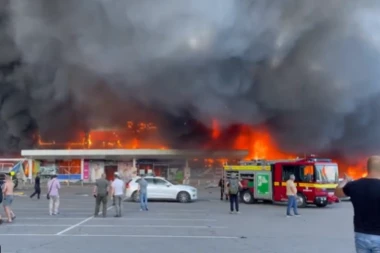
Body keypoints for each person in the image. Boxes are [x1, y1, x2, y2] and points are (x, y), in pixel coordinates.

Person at [335, 156, 380, 252]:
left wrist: (345, 180)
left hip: (361, 235)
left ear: (367, 168)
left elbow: (338, 193)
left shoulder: (354, 185)